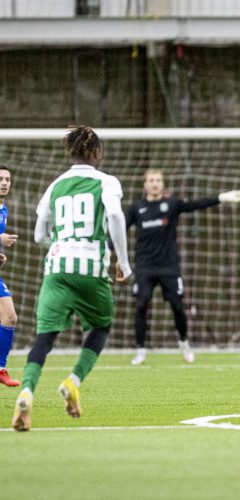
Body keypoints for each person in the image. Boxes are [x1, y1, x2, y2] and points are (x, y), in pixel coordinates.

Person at [12, 125, 132, 432]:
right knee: (101, 326)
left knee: (44, 338)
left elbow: (40, 235)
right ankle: (73, 380)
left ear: (71, 152)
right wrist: (123, 262)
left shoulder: (55, 185)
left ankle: (26, 392)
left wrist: (62, 241)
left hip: (57, 267)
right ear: (96, 153)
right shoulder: (106, 181)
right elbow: (116, 217)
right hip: (90, 267)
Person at [124, 168, 240, 365]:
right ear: (145, 185)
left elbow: (195, 205)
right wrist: (107, 248)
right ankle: (140, 350)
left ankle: (184, 343)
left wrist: (221, 197)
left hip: (169, 267)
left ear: (162, 184)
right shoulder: (136, 208)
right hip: (145, 267)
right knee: (141, 305)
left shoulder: (172, 204)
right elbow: (120, 228)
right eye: (151, 180)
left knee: (178, 306)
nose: (155, 183)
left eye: (158, 180)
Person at [0, 165, 20, 387]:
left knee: (9, 316)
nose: (4, 183)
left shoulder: (3, 209)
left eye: (7, 179)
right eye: (0, 179)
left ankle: (0, 368)